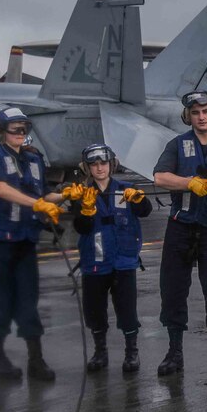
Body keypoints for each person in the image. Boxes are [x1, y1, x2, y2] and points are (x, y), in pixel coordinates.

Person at [0, 107, 64, 382]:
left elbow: (42, 193)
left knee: (28, 301)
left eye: (24, 128)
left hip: (23, 240)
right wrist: (38, 203)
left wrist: (65, 194)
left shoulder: (33, 161)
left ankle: (36, 359)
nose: (20, 134)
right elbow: (1, 190)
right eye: (14, 128)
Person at [151, 90, 207, 379]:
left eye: (205, 111)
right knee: (173, 290)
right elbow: (160, 176)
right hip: (181, 227)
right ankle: (174, 351)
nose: (201, 117)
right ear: (187, 115)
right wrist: (189, 182)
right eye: (195, 112)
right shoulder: (177, 145)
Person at [61, 144, 151, 372]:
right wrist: (86, 211)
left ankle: (132, 352)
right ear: (87, 168)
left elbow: (145, 211)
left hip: (123, 261)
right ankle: (100, 351)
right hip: (94, 263)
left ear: (111, 164)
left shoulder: (126, 189)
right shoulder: (81, 194)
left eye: (103, 163)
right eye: (94, 165)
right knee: (95, 310)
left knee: (127, 309)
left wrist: (139, 199)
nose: (99, 168)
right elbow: (81, 228)